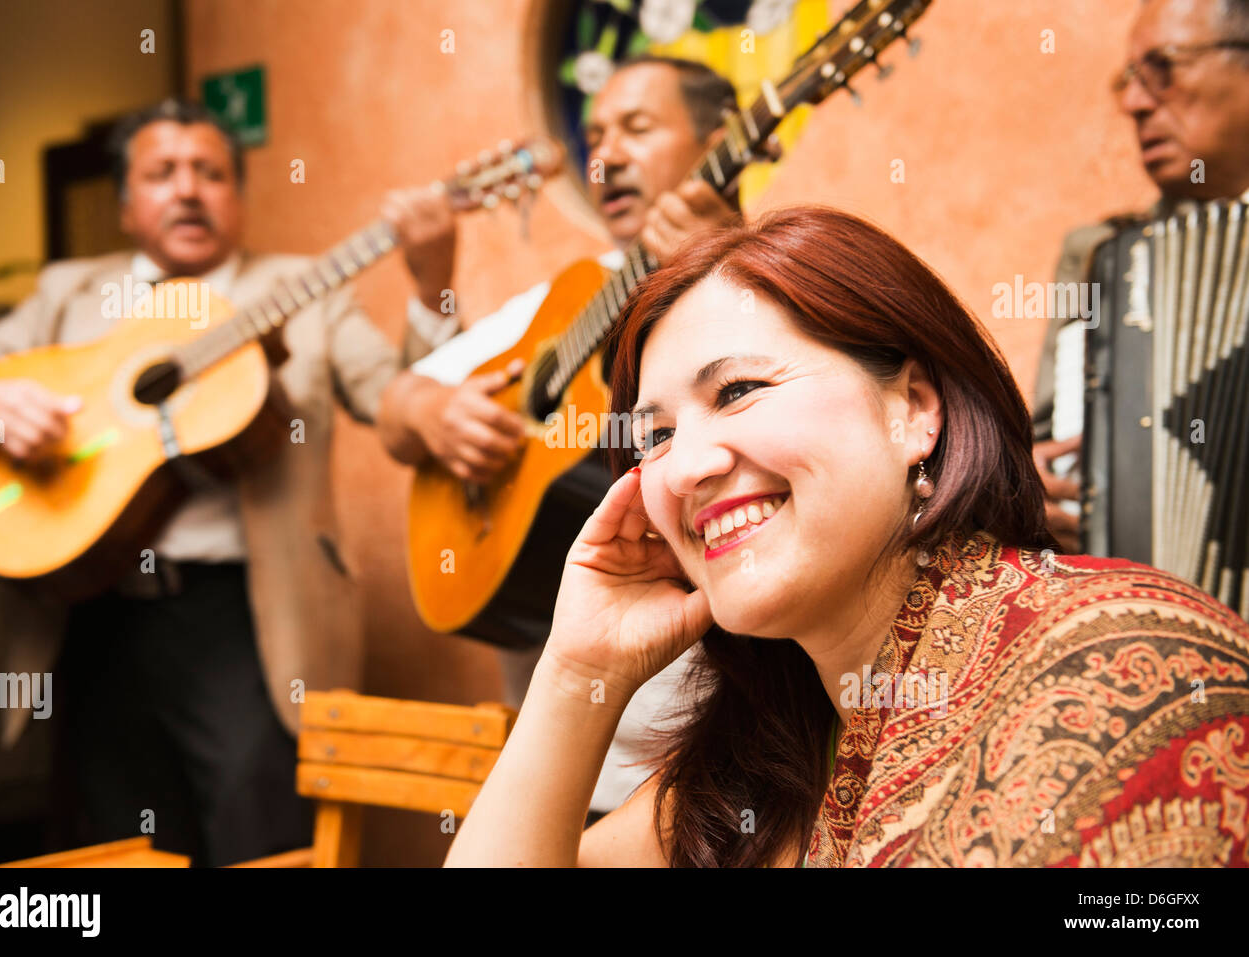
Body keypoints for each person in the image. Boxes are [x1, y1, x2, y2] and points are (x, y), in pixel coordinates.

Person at [445, 206, 1249, 867]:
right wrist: (578, 668)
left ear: (914, 411)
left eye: (738, 389)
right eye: (653, 437)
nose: (684, 466)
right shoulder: (754, 771)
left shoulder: (1126, 663)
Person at [0, 99, 459, 866]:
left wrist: (432, 291)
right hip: (94, 619)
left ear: (240, 198)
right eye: (162, 173)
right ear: (125, 205)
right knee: (112, 851)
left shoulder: (305, 288)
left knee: (260, 844)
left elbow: (405, 407)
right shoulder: (67, 294)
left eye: (211, 173)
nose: (188, 189)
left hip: (250, 622)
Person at [377, 56, 742, 817]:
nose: (605, 155)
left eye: (637, 128)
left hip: (723, 769)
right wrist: (431, 413)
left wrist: (728, 266)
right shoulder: (571, 292)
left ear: (724, 140)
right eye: (596, 135)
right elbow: (396, 407)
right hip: (559, 780)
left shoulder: (780, 272)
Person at [1031, 0, 1249, 552]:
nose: (1133, 102)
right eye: (1129, 78)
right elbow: (1046, 441)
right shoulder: (1100, 256)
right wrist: (1027, 485)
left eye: (1163, 69)